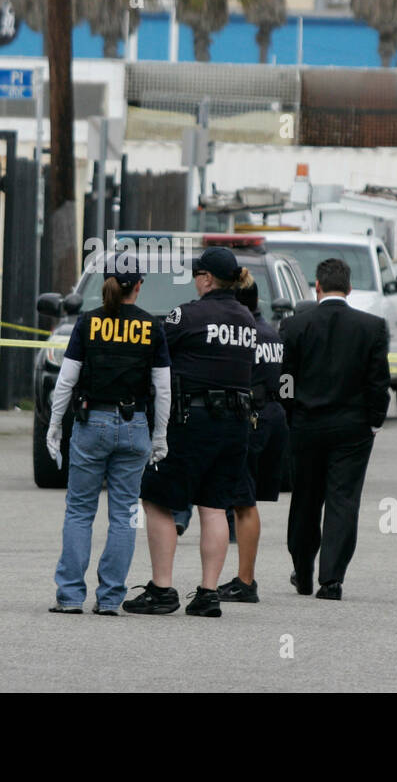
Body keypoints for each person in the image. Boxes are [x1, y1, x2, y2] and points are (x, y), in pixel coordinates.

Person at [124, 246, 256, 618]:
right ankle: (208, 593)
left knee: (158, 499)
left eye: (197, 274)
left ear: (207, 279)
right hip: (234, 426)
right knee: (214, 507)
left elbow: (155, 352)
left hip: (189, 422)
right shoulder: (247, 320)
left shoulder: (188, 314)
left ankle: (162, 589)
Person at [47, 250, 170, 615]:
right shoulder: (152, 327)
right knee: (125, 513)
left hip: (91, 423)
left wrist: (54, 426)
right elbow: (162, 390)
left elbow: (65, 381)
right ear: (140, 286)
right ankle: (111, 598)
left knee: (80, 511)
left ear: (107, 283)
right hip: (135, 427)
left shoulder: (87, 323)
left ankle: (69, 597)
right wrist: (160, 436)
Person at [282, 258, 390, 600]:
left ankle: (302, 572)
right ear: (349, 289)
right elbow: (378, 382)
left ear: (317, 286)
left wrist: (290, 415)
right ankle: (332, 579)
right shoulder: (372, 327)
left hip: (306, 425)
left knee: (305, 499)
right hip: (352, 427)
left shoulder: (295, 325)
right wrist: (374, 419)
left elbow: (285, 379)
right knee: (343, 500)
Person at [217, 280, 287, 604]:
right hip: (272, 414)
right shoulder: (270, 332)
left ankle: (245, 581)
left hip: (252, 417)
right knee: (246, 499)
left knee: (244, 502)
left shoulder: (245, 335)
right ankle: (244, 578)